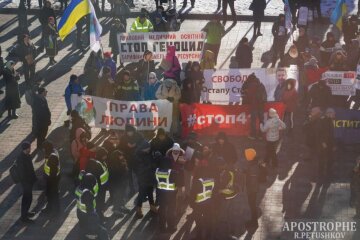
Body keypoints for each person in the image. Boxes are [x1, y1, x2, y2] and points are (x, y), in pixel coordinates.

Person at [156, 144, 185, 233]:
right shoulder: (175, 172)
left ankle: (161, 227)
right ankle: (171, 227)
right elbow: (180, 181)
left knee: (162, 209)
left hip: (161, 192)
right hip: (172, 192)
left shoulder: (158, 170)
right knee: (171, 210)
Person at [190, 156, 214, 240]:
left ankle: (199, 236)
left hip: (198, 203)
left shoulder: (198, 181)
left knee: (198, 220)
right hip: (208, 202)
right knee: (208, 219)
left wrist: (192, 203)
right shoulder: (212, 178)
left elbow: (193, 193)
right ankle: (208, 235)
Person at [214, 157, 238, 240]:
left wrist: (219, 191)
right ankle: (228, 232)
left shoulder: (226, 173)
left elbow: (225, 186)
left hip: (226, 196)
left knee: (223, 216)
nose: (218, 168)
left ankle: (226, 235)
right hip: (231, 195)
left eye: (218, 166)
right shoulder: (229, 170)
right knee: (228, 215)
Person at [134, 141, 157, 218]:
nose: (148, 149)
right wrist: (149, 166)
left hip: (150, 177)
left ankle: (152, 207)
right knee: (141, 194)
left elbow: (153, 163)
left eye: (148, 148)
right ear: (142, 149)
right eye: (146, 148)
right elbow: (139, 168)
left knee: (150, 193)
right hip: (142, 178)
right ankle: (138, 210)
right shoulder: (138, 156)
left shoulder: (150, 153)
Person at [119, 124, 144, 194]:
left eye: (131, 132)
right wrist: (126, 145)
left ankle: (141, 188)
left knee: (139, 175)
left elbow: (144, 144)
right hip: (128, 159)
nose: (130, 133)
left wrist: (136, 145)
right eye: (128, 132)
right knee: (129, 175)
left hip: (137, 159)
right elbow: (120, 148)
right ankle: (131, 189)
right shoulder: (123, 138)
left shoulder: (139, 136)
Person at [86, 148, 110, 220]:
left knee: (100, 203)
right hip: (99, 188)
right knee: (99, 203)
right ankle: (99, 217)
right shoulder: (97, 164)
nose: (106, 157)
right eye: (105, 155)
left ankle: (99, 216)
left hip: (101, 187)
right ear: (101, 155)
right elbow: (97, 177)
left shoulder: (101, 162)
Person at [241, 73, 267, 140]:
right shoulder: (261, 85)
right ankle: (261, 135)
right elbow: (265, 96)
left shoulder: (250, 86)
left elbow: (247, 97)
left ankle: (253, 135)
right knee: (261, 121)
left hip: (254, 106)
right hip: (261, 106)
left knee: (253, 121)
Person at [17, 141, 37, 223]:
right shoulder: (21, 158)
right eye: (29, 147)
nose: (30, 149)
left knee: (28, 198)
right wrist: (28, 181)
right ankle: (24, 217)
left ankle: (25, 213)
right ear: (27, 148)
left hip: (29, 181)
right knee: (27, 199)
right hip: (26, 183)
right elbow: (22, 173)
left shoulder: (27, 155)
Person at [108, 150, 130, 216]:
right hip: (117, 183)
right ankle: (116, 210)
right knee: (117, 196)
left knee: (122, 195)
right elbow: (115, 174)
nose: (122, 156)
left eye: (122, 155)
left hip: (123, 182)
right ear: (116, 157)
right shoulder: (112, 164)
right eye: (120, 155)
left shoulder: (122, 161)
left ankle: (121, 206)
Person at [42, 141, 60, 217]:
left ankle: (56, 212)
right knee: (49, 194)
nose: (43, 150)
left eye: (44, 149)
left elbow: (53, 171)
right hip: (50, 178)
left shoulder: (52, 156)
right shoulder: (50, 153)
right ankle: (49, 208)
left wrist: (50, 179)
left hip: (53, 179)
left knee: (54, 194)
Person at [243, 148, 260, 228]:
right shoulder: (253, 163)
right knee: (252, 205)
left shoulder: (253, 166)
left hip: (252, 189)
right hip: (253, 188)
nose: (245, 156)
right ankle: (253, 221)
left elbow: (253, 180)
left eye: (247, 155)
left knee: (252, 205)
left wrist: (249, 190)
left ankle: (254, 222)